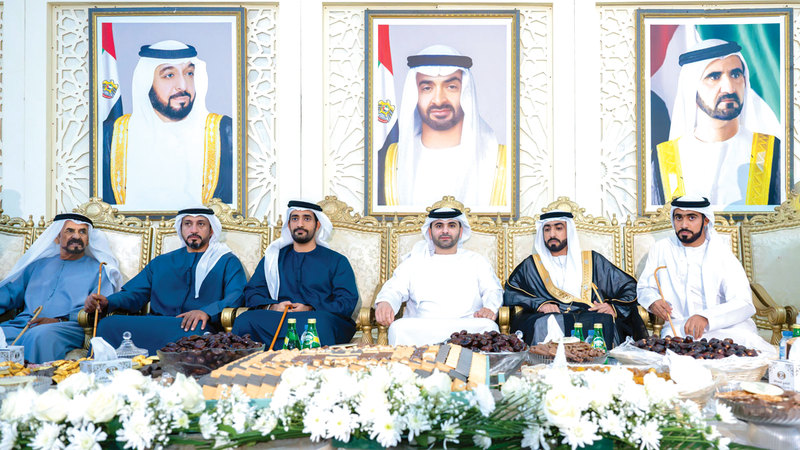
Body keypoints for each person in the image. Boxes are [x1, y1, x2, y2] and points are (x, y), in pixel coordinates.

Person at [85, 207, 246, 353]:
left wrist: (207, 312)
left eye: (201, 224)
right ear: (180, 229)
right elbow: (134, 293)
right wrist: (108, 302)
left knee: (195, 333)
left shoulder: (227, 261)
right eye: (188, 224)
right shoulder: (162, 262)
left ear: (211, 230)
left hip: (196, 326)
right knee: (108, 324)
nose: (194, 230)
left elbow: (236, 296)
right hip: (156, 322)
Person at [102, 40, 233, 210]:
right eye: (169, 75)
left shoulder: (225, 132)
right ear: (146, 82)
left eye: (189, 73)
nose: (183, 86)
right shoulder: (111, 136)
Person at [637, 195, 774, 354]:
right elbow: (645, 287)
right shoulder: (661, 249)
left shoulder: (720, 252)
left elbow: (744, 302)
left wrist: (706, 317)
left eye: (692, 217)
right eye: (679, 217)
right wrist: (652, 301)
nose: (684, 224)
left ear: (706, 220)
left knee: (744, 346)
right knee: (673, 350)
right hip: (680, 328)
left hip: (726, 328)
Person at [654, 39, 781, 207]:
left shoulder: (774, 151)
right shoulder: (664, 159)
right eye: (714, 77)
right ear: (692, 88)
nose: (729, 88)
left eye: (735, 75)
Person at [378, 45, 506, 207]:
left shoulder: (501, 162)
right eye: (427, 88)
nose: (438, 100)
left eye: (451, 87)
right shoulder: (387, 163)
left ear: (465, 93)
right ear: (415, 94)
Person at [504, 211, 648, 346]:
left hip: (590, 314)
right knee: (547, 322)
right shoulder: (531, 265)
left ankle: (600, 363)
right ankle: (547, 362)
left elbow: (629, 286)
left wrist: (612, 307)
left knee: (603, 320)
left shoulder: (591, 260)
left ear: (569, 231)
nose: (552, 234)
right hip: (552, 316)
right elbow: (511, 293)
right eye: (547, 229)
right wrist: (539, 304)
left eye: (558, 228)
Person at [231, 201, 359, 347]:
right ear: (289, 224)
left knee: (318, 325)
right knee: (244, 320)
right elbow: (253, 292)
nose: (300, 224)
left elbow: (347, 301)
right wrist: (274, 307)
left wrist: (310, 308)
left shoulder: (336, 261)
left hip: (317, 317)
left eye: (307, 218)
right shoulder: (273, 259)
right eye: (295, 218)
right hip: (278, 318)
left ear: (317, 225)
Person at [0, 214, 121, 363]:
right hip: (24, 324)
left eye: (82, 232)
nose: (76, 236)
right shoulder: (37, 265)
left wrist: (58, 320)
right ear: (57, 237)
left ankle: (35, 377)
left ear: (88, 239)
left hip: (68, 327)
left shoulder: (100, 271)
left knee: (40, 335)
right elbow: (11, 293)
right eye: (70, 231)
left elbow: (99, 307)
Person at [374, 208, 503, 345]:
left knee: (489, 327)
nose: (445, 231)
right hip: (422, 327)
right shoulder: (415, 261)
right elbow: (394, 288)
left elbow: (493, 290)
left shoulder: (476, 261)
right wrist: (386, 302)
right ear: (430, 232)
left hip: (467, 325)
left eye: (451, 225)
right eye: (439, 226)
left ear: (460, 232)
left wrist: (489, 308)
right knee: (398, 328)